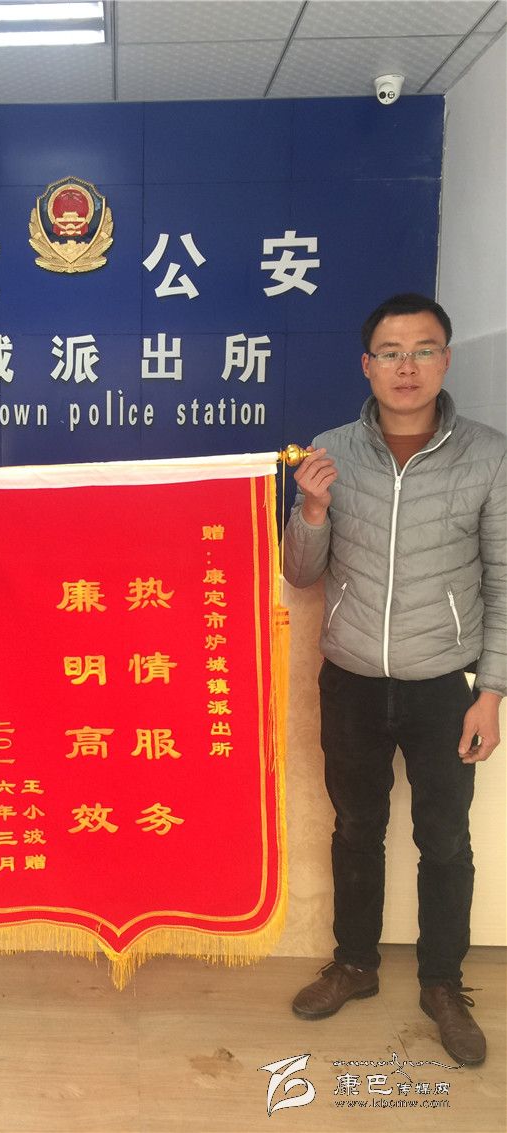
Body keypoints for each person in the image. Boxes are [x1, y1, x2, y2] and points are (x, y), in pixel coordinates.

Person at [283, 293, 505, 1066]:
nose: (406, 367)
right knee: (355, 827)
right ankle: (355, 963)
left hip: (444, 683)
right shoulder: (332, 449)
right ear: (367, 365)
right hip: (349, 678)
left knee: (444, 838)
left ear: (446, 359)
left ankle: (442, 981)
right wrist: (312, 509)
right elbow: (300, 572)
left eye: (422, 350)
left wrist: (491, 692)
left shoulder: (488, 454)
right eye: (390, 352)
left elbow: (503, 577)